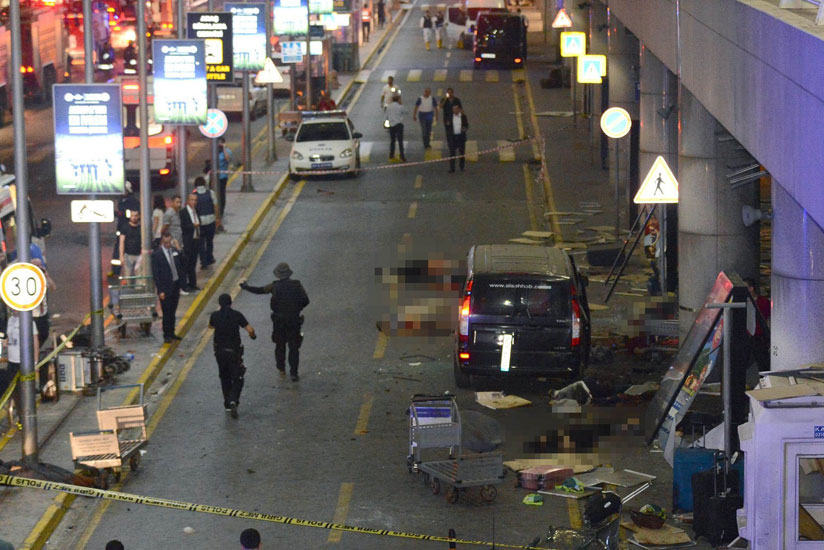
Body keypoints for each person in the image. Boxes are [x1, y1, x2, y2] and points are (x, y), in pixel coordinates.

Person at [240, 262, 309, 381]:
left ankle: (281, 368)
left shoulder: (274, 286)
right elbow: (306, 300)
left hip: (279, 321)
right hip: (294, 320)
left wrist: (246, 287)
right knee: (294, 347)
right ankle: (294, 373)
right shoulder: (297, 284)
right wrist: (296, 309)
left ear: (278, 275)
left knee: (280, 345)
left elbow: (260, 290)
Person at [209, 294, 256, 418]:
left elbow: (210, 326)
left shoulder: (214, 316)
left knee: (224, 377)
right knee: (238, 377)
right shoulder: (237, 315)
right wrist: (253, 336)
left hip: (219, 352)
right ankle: (234, 399)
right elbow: (250, 330)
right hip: (233, 352)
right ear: (231, 303)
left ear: (219, 304)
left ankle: (227, 404)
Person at [3, 308, 39, 430]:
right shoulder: (10, 321)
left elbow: (35, 342)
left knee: (25, 391)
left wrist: (35, 362)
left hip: (24, 362)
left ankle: (27, 417)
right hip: (12, 362)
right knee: (14, 392)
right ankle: (20, 416)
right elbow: (8, 338)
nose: (13, 310)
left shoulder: (30, 322)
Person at [151, 232, 184, 343]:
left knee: (173, 311)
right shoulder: (157, 255)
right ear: (162, 242)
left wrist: (179, 249)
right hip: (165, 288)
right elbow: (156, 275)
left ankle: (172, 332)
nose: (168, 244)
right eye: (165, 242)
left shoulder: (174, 251)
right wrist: (160, 290)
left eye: (169, 242)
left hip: (175, 285)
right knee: (167, 312)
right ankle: (166, 334)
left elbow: (183, 262)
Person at [112, 181, 139, 277]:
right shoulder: (121, 200)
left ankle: (128, 272)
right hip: (121, 228)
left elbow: (133, 214)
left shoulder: (133, 202)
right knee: (117, 250)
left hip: (129, 229)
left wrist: (121, 214)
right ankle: (115, 271)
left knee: (126, 249)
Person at [745, 277, 771, 371]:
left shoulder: (763, 302)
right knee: (743, 361)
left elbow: (768, 317)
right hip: (747, 335)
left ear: (751, 288)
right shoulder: (744, 302)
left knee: (762, 362)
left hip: (759, 337)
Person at [194, 177, 217, 269]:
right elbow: (216, 206)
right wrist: (218, 218)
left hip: (200, 223)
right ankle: (209, 258)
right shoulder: (211, 193)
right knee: (209, 241)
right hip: (211, 220)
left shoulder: (194, 196)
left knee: (201, 243)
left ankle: (203, 262)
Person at [179, 193, 201, 292]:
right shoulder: (183, 212)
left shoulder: (196, 211)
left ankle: (193, 283)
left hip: (196, 240)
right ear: (188, 201)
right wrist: (194, 226)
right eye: (192, 200)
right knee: (186, 264)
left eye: (195, 200)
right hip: (187, 242)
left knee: (193, 263)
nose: (194, 202)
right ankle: (185, 285)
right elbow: (183, 226)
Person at [118, 209, 143, 278]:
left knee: (139, 276)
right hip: (128, 255)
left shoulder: (141, 228)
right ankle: (128, 288)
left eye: (136, 216)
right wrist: (121, 256)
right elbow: (121, 242)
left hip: (139, 255)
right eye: (132, 216)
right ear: (130, 216)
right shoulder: (125, 227)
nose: (134, 217)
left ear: (139, 216)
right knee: (127, 276)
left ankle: (138, 289)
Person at [386, 94, 407, 162]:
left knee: (392, 141)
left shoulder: (389, 106)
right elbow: (406, 112)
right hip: (398, 125)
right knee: (400, 141)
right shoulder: (400, 106)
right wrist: (401, 104)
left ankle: (391, 154)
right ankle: (402, 156)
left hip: (391, 125)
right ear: (398, 100)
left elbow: (386, 116)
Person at [448, 104, 468, 172]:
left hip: (461, 137)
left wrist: (464, 129)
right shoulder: (450, 117)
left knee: (462, 153)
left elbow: (466, 125)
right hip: (453, 137)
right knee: (452, 153)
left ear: (459, 109)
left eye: (456, 109)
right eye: (453, 109)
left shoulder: (463, 116)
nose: (455, 110)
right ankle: (452, 168)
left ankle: (462, 167)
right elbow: (448, 126)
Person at [217, 138, 233, 219]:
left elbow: (228, 159)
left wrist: (224, 148)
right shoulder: (215, 151)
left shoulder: (227, 151)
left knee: (221, 194)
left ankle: (221, 211)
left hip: (222, 177)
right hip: (214, 177)